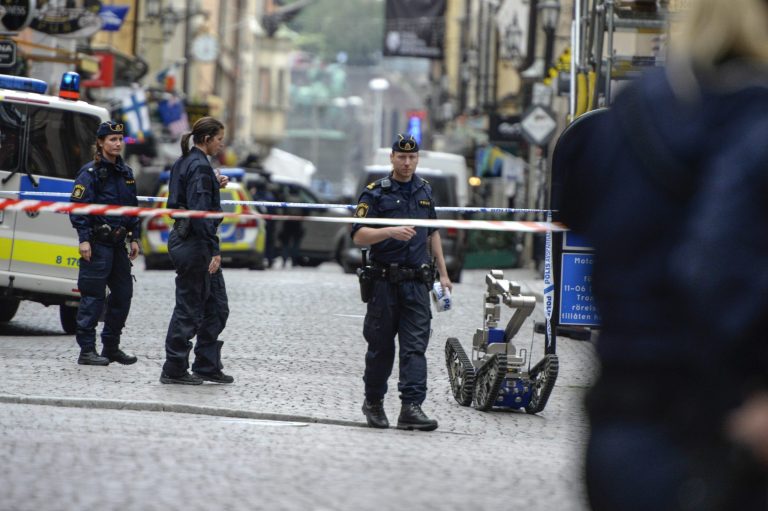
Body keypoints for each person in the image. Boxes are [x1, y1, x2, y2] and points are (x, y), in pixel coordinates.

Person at [558, 0, 768, 509]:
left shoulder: (630, 112)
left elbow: (576, 210)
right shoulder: (753, 120)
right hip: (724, 428)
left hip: (620, 423)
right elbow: (716, 269)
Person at [352, 133, 452, 431]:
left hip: (417, 284)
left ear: (417, 158)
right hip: (384, 282)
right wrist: (389, 231)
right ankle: (373, 403)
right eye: (401, 157)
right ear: (392, 158)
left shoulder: (425, 191)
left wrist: (444, 274)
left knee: (414, 348)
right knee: (381, 349)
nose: (407, 162)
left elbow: (433, 233)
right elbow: (358, 236)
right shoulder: (375, 193)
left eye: (412, 157)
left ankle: (411, 407)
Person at [160, 116, 233, 385]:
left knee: (216, 306)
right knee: (189, 308)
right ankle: (174, 368)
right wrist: (213, 250)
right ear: (206, 139)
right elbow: (201, 212)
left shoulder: (191, 163)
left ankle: (206, 364)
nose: (221, 145)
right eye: (218, 139)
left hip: (192, 241)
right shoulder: (199, 166)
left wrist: (214, 184)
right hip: (195, 244)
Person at [69, 121, 140, 366]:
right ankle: (87, 350)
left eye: (120, 139)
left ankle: (111, 347)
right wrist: (84, 239)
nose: (117, 143)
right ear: (100, 143)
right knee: (92, 298)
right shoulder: (89, 173)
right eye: (112, 139)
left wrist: (135, 237)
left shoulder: (126, 173)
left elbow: (131, 209)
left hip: (118, 243)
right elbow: (78, 208)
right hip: (98, 244)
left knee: (123, 295)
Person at [278, 184, 305, 268]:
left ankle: (284, 261)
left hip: (287, 223)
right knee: (296, 244)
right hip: (297, 224)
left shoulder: (286, 198)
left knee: (285, 244)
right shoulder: (301, 200)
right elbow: (306, 211)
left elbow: (281, 210)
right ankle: (294, 261)